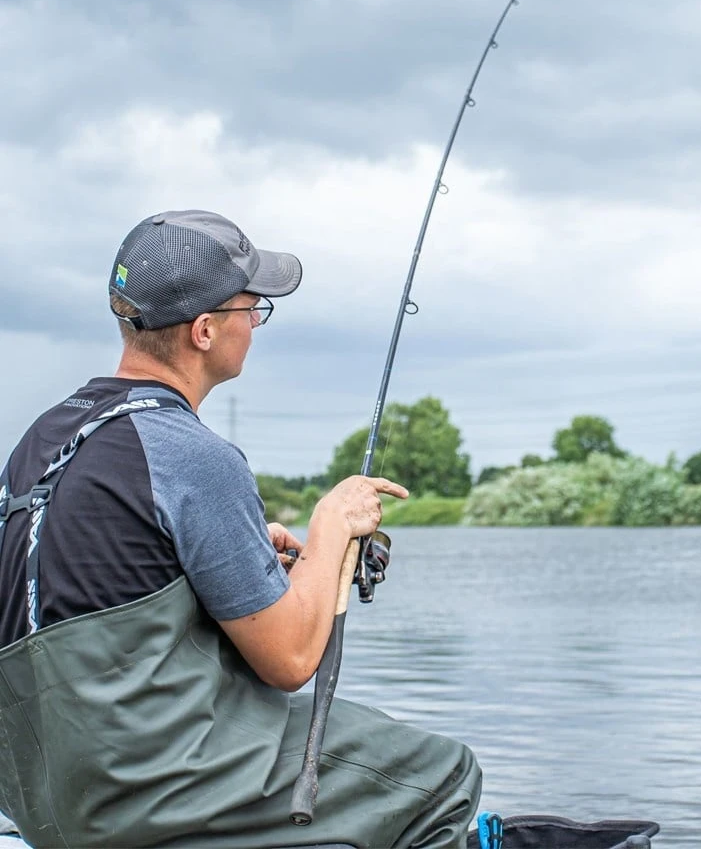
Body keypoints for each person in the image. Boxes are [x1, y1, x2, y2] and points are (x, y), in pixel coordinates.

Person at [0, 210, 481, 849]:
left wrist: (234, 560)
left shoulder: (43, 439)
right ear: (204, 331)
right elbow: (290, 660)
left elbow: (92, 587)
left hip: (47, 799)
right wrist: (332, 524)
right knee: (443, 775)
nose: (255, 323)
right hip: (144, 790)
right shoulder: (192, 455)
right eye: (252, 309)